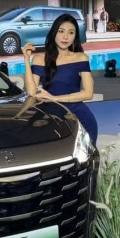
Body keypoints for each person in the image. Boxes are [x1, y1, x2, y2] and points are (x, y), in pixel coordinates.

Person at [23, 13, 98, 144]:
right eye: (61, 31)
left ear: (75, 36)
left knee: (84, 153)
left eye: (71, 33)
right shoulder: (40, 58)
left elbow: (88, 93)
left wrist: (55, 98)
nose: (65, 37)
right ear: (54, 33)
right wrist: (26, 59)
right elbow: (31, 92)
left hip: (79, 116)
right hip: (50, 115)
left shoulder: (81, 58)